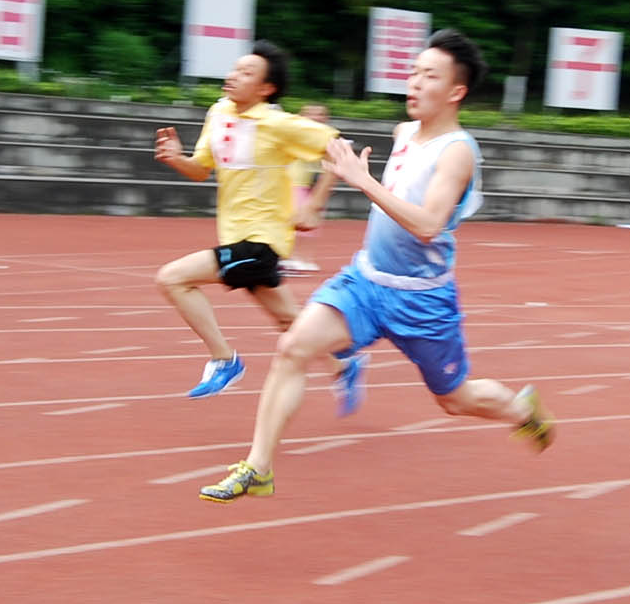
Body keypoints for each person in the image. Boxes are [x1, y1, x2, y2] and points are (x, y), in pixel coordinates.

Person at [199, 29, 555, 503]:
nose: (413, 82)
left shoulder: (458, 152)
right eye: (412, 71)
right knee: (292, 347)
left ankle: (521, 410)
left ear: (456, 92)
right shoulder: (404, 132)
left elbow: (428, 225)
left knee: (453, 399)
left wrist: (363, 181)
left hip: (423, 299)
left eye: (429, 75)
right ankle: (258, 466)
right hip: (366, 282)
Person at [153, 41, 364, 404]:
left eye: (247, 73)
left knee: (172, 278)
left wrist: (314, 204)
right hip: (236, 235)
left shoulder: (278, 123)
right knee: (288, 321)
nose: (234, 76)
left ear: (266, 89)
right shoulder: (218, 113)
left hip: (261, 241)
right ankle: (343, 365)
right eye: (235, 69)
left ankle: (224, 360)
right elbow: (202, 169)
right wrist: (176, 159)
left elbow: (340, 146)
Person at [279, 103, 331, 276]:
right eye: (310, 113)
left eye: (319, 114)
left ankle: (303, 258)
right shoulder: (298, 135)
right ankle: (287, 257)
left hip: (307, 183)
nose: (315, 117)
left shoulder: (323, 137)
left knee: (309, 222)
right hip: (292, 181)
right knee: (294, 219)